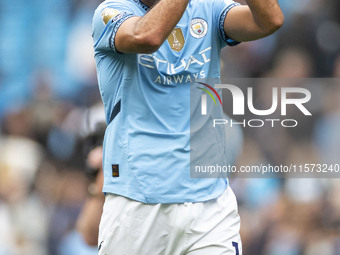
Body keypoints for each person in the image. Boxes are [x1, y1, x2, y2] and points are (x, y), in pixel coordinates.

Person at [92, 0, 283, 253]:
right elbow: (146, 35)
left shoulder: (208, 9)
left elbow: (270, 21)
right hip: (137, 205)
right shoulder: (111, 11)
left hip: (210, 205)